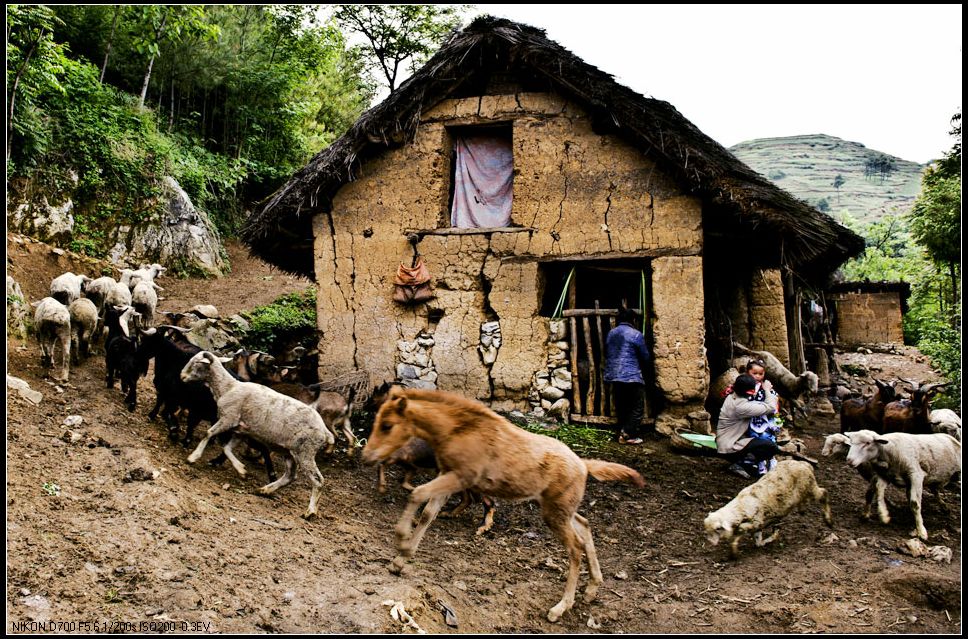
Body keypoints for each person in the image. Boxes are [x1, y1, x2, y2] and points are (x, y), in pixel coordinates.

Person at [716, 373, 780, 479]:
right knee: (770, 447)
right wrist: (767, 390)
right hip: (729, 447)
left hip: (726, 441)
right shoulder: (741, 407)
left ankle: (746, 461)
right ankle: (743, 463)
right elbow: (771, 407)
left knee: (759, 441)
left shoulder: (733, 395)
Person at [603, 307, 651, 445]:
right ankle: (627, 434)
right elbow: (645, 356)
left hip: (614, 375)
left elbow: (607, 352)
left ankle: (622, 430)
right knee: (637, 407)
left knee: (622, 405)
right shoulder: (636, 334)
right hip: (631, 375)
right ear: (633, 320)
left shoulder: (611, 333)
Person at [744, 359, 781, 475]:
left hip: (766, 418)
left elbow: (775, 404)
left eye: (761, 374)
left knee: (768, 438)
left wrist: (776, 419)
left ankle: (772, 459)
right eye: (754, 373)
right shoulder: (745, 388)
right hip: (751, 419)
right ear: (747, 373)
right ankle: (760, 461)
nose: (758, 376)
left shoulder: (767, 388)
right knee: (755, 438)